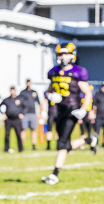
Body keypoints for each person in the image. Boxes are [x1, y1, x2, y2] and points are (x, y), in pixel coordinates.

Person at [41, 43, 98, 185]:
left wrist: (83, 109)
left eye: (66, 54)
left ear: (73, 55)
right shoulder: (53, 72)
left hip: (72, 110)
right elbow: (48, 90)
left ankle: (54, 174)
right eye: (61, 54)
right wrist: (49, 96)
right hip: (59, 110)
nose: (63, 57)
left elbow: (87, 93)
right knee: (63, 143)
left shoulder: (78, 72)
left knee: (62, 144)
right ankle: (88, 140)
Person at [0, 86, 25, 153]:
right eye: (11, 90)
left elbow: (25, 107)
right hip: (9, 120)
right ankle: (6, 149)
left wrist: (22, 113)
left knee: (18, 135)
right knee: (7, 135)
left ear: (15, 90)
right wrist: (3, 113)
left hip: (17, 120)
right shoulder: (7, 99)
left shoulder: (19, 99)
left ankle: (20, 149)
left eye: (13, 90)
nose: (12, 91)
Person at [19, 79, 41, 150]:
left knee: (33, 129)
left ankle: (33, 145)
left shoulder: (34, 92)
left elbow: (39, 103)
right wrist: (20, 113)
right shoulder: (22, 92)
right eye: (27, 82)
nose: (28, 83)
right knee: (23, 129)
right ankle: (21, 145)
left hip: (33, 113)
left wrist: (40, 113)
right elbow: (18, 103)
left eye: (29, 82)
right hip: (25, 113)